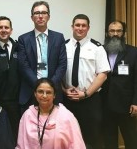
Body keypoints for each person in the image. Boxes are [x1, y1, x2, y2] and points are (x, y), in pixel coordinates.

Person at [63, 14, 110, 149]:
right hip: (68, 99)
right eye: (77, 25)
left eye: (84, 25)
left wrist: (86, 93)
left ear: (88, 28)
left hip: (91, 99)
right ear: (72, 27)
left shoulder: (97, 47)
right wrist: (63, 90)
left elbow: (103, 74)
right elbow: (58, 71)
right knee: (68, 136)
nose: (80, 28)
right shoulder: (63, 46)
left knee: (92, 136)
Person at [18, 1, 67, 111]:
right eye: (37, 13)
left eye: (44, 12)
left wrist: (50, 87)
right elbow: (23, 66)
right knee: (30, 127)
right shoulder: (23, 39)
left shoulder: (59, 37)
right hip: (30, 92)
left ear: (48, 16)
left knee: (54, 127)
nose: (40, 16)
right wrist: (39, 87)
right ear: (32, 17)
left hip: (53, 93)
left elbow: (62, 65)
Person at [16, 78, 85, 149]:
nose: (44, 96)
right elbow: (21, 145)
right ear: (35, 94)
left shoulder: (66, 116)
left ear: (54, 95)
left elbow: (77, 145)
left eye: (48, 92)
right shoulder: (28, 115)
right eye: (40, 92)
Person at [101, 20, 137, 149]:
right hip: (105, 104)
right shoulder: (100, 51)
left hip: (126, 104)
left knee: (131, 139)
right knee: (109, 139)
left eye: (118, 31)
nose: (115, 34)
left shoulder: (133, 52)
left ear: (123, 33)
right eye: (112, 31)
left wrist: (135, 102)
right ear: (107, 33)